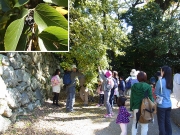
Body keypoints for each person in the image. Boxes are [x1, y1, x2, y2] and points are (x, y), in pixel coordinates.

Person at [155, 66, 173, 135]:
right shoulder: (170, 81)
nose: (161, 72)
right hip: (169, 104)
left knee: (161, 122)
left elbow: (156, 93)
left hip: (161, 105)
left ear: (164, 72)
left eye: (161, 71)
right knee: (167, 121)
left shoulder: (160, 82)